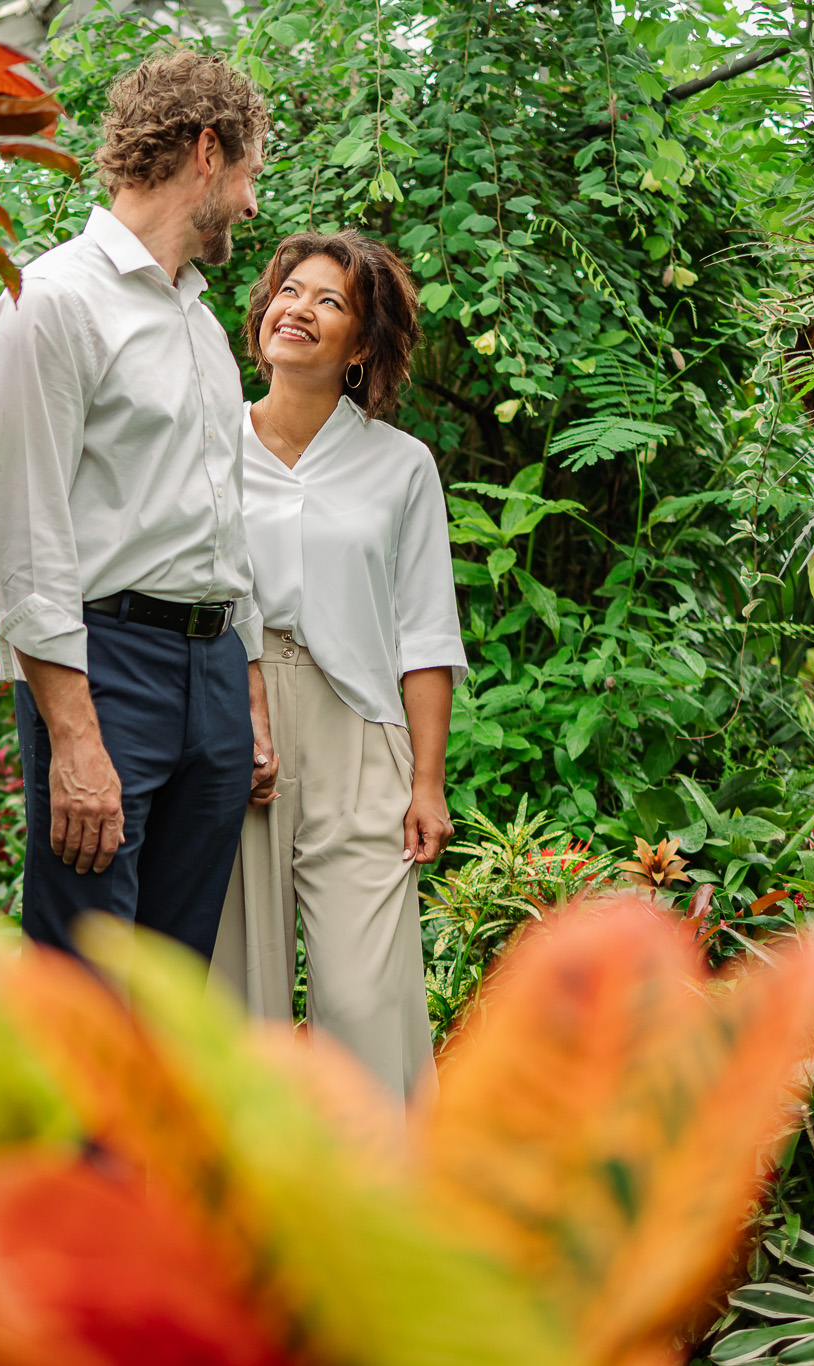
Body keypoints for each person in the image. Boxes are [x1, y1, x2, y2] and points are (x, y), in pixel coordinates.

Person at [0, 51, 277, 959]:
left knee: (169, 986)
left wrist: (250, 688)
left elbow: (224, 514)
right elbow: (27, 537)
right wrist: (73, 738)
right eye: (253, 173)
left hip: (215, 677)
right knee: (85, 982)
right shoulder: (52, 301)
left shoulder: (202, 320)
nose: (254, 205)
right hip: (105, 670)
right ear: (207, 153)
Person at [211, 231, 465, 1104]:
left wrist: (426, 783)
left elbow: (426, 633)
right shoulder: (209, 444)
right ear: (262, 315)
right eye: (290, 291)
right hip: (238, 728)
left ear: (360, 346)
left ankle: (380, 1211)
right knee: (239, 1000)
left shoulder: (402, 466)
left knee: (365, 998)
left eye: (329, 302)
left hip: (361, 734)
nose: (299, 310)